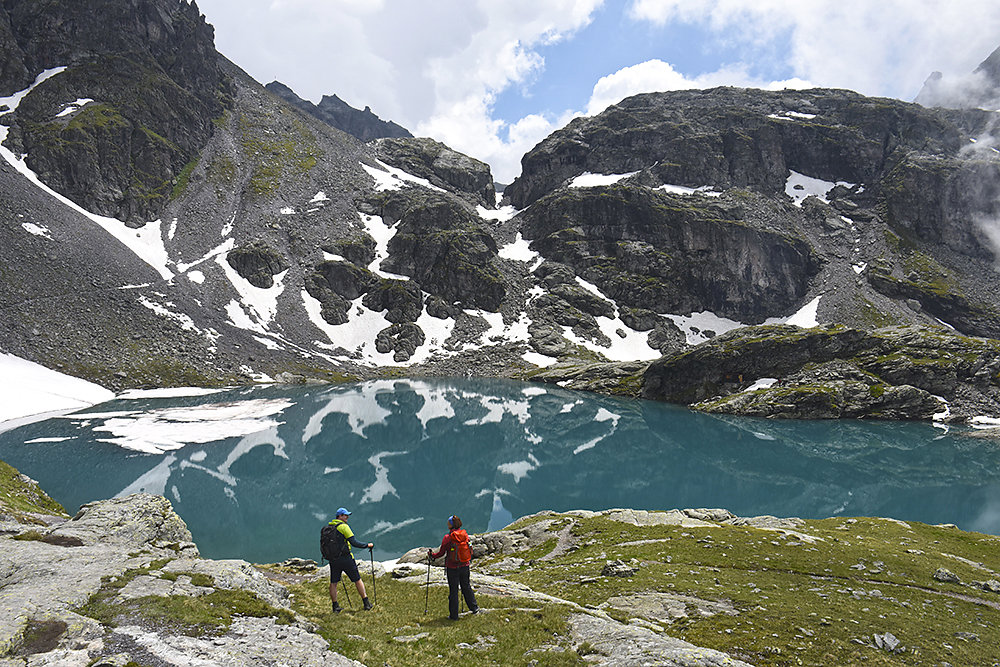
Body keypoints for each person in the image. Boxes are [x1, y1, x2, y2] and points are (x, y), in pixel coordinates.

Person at [428, 514, 479, 620]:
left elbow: (441, 553)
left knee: (454, 591)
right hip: (465, 565)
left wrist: (432, 555)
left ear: (451, 525)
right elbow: (469, 548)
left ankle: (454, 616)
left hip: (452, 568)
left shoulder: (448, 538)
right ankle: (474, 608)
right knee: (466, 587)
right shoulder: (465, 535)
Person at [326, 507, 374, 612]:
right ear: (339, 516)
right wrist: (367, 545)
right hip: (346, 558)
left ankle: (335, 606)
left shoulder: (330, 527)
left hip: (333, 559)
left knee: (334, 582)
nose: (347, 517)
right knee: (357, 579)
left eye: (347, 515)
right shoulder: (344, 527)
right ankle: (366, 603)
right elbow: (354, 542)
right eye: (345, 515)